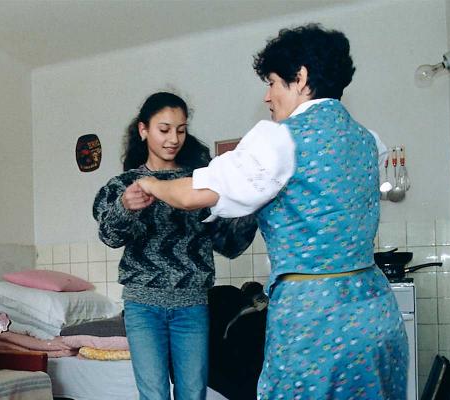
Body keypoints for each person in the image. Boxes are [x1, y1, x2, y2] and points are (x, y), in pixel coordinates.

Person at [136, 24, 408, 399]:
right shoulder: (369, 140)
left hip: (315, 319)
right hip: (376, 312)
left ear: (301, 78)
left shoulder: (279, 139)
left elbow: (192, 194)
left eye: (274, 82)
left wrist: (150, 183)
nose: (267, 96)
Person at [93, 91, 257, 400]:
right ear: (144, 130)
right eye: (164, 129)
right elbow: (110, 237)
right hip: (143, 306)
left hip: (192, 304)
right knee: (153, 395)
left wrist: (251, 200)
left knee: (193, 394)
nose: (173, 139)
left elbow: (229, 244)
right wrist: (124, 207)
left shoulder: (200, 182)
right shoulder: (123, 184)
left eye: (180, 130)